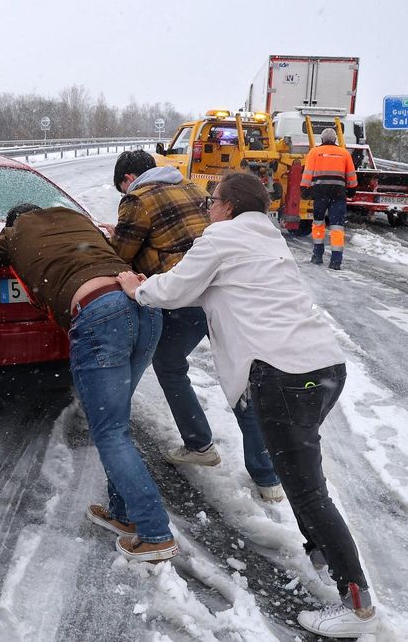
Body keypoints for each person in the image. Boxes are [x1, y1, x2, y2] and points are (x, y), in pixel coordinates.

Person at [117, 172, 379, 638]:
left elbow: (175, 290)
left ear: (229, 206)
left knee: (308, 490)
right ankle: (322, 552)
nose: (208, 207)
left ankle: (355, 602)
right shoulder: (267, 238)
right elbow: (204, 289)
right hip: (324, 368)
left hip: (284, 375)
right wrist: (161, 286)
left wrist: (136, 288)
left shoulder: (220, 237)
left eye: (211, 200)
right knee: (303, 477)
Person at [0, 203, 175, 563]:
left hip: (100, 314)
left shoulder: (14, 236)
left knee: (110, 431)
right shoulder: (77, 220)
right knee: (116, 424)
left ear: (11, 224)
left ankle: (155, 532)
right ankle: (123, 514)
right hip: (144, 307)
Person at [111, 150, 283, 502]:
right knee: (239, 375)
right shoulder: (191, 188)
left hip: (184, 294)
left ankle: (199, 443)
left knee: (169, 365)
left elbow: (121, 252)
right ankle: (266, 475)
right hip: (220, 291)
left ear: (128, 179)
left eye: (121, 187)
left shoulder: (137, 200)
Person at [301, 127, 358, 270]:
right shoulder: (344, 153)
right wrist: (352, 189)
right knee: (337, 227)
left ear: (321, 139)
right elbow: (351, 174)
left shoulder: (315, 152)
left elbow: (308, 173)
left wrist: (305, 189)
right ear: (335, 140)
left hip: (320, 194)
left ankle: (317, 255)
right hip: (338, 194)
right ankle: (336, 261)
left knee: (318, 223)